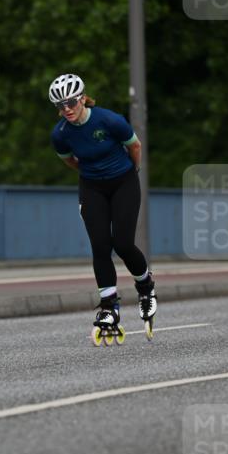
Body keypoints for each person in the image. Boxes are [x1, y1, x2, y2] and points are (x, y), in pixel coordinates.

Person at [48, 72, 157, 335]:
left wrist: (132, 172)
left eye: (71, 103)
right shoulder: (60, 134)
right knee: (99, 245)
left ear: (83, 98)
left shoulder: (109, 120)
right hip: (92, 186)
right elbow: (70, 161)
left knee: (122, 243)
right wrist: (93, 174)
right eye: (60, 106)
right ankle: (109, 306)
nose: (66, 110)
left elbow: (136, 146)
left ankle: (146, 288)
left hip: (123, 182)